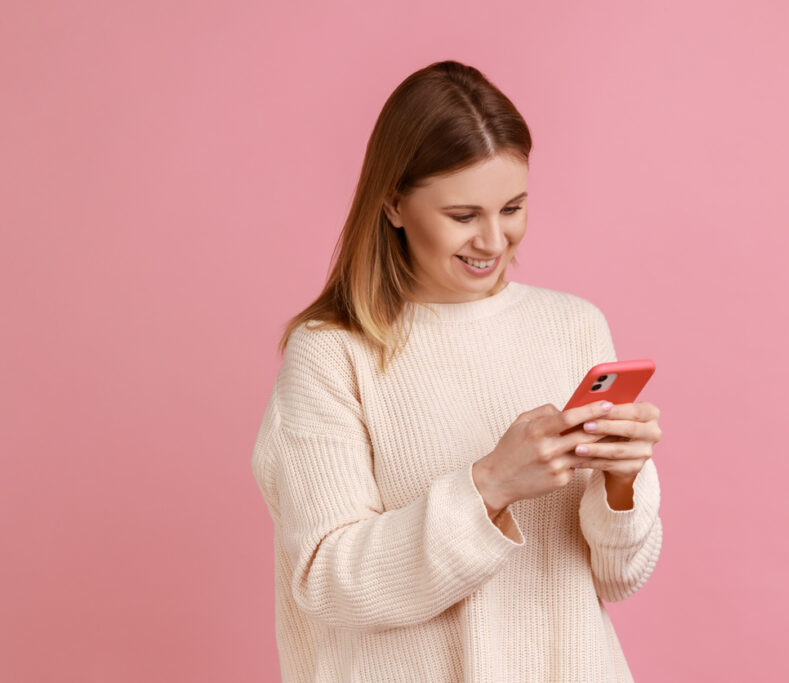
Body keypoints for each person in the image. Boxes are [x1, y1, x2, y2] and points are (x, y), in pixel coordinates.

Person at [250, 59, 664, 683]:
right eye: (463, 216)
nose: (494, 242)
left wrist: (623, 484)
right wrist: (490, 485)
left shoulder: (575, 326)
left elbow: (617, 576)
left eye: (514, 207)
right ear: (393, 204)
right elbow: (328, 581)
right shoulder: (333, 353)